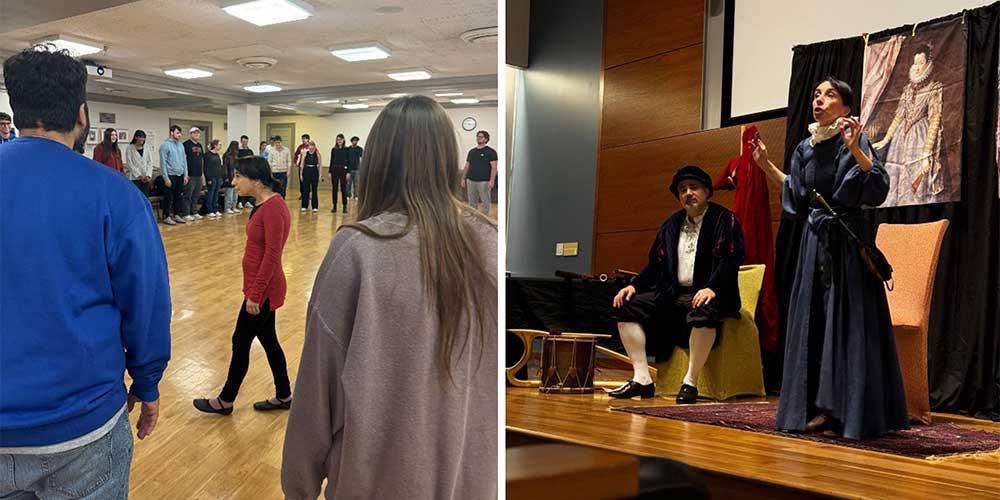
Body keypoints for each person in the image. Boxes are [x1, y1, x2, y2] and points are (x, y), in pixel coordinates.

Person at [281, 94, 497, 500]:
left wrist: (299, 486)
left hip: (378, 478)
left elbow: (316, 389)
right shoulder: (492, 243)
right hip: (475, 477)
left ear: (378, 158)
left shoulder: (358, 249)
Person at [0, 46, 171, 498]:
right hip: (83, 427)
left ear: (16, 113)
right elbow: (146, 301)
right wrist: (148, 381)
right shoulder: (115, 195)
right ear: (81, 113)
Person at [755, 77, 909, 440]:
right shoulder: (805, 146)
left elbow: (876, 185)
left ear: (846, 107)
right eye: (816, 94)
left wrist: (855, 148)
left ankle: (848, 410)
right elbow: (796, 190)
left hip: (845, 243)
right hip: (814, 240)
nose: (820, 100)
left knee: (847, 321)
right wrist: (764, 166)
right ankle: (817, 407)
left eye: (830, 95)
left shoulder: (851, 137)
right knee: (815, 322)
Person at [608, 166, 744, 402]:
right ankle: (642, 379)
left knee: (703, 308)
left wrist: (711, 287)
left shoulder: (725, 219)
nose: (688, 193)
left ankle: (690, 382)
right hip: (673, 293)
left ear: (706, 191)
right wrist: (635, 286)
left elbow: (731, 260)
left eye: (694, 187)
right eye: (683, 189)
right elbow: (655, 264)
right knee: (626, 305)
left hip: (715, 292)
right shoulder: (671, 224)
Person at [193, 156, 291, 415]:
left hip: (264, 291)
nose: (233, 181)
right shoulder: (261, 204)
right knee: (269, 341)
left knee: (241, 340)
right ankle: (284, 395)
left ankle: (226, 400)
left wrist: (256, 295)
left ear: (256, 180)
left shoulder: (274, 209)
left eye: (238, 177)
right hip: (258, 289)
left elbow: (272, 255)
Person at [871, 45, 946, 206]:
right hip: (901, 139)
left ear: (928, 63)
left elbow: (935, 121)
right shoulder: (907, 90)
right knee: (895, 177)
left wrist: (927, 154)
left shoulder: (935, 88)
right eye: (915, 63)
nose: (918, 67)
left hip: (920, 138)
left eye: (921, 63)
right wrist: (886, 140)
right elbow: (898, 117)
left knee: (916, 183)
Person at [461, 130, 498, 215]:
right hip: (470, 180)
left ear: (486, 139)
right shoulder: (472, 151)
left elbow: (494, 167)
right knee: (472, 202)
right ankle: (473, 217)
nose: (478, 138)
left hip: (484, 182)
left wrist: (492, 181)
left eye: (481, 137)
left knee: (485, 202)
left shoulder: (491, 152)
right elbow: (467, 166)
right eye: (477, 136)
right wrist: (463, 178)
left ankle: (484, 219)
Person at [159, 125, 189, 225]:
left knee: (178, 197)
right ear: (171, 133)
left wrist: (185, 175)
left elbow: (184, 161)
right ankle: (166, 216)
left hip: (180, 174)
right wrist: (166, 178)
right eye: (177, 133)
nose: (179, 135)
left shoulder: (181, 145)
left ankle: (176, 214)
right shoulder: (165, 145)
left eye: (180, 133)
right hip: (170, 175)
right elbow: (163, 163)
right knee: (168, 197)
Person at [183, 127, 205, 221]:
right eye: (194, 133)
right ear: (190, 134)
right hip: (190, 174)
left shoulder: (200, 145)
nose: (196, 134)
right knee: (188, 195)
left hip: (198, 174)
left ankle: (194, 212)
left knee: (196, 195)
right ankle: (186, 213)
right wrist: (185, 174)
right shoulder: (186, 145)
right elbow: (183, 160)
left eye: (198, 133)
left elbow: (201, 159)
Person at [125, 129, 153, 196]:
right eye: (140, 139)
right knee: (136, 197)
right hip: (135, 178)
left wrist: (148, 175)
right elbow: (130, 164)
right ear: (136, 137)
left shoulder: (146, 147)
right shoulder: (129, 148)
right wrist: (139, 176)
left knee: (145, 197)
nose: (141, 141)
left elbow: (150, 162)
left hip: (146, 178)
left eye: (143, 140)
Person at [297, 139, 322, 212]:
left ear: (314, 146)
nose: (311, 147)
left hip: (314, 171)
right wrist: (301, 174)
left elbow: (320, 165)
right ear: (308, 147)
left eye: (312, 145)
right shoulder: (305, 154)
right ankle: (304, 205)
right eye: (310, 145)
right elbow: (302, 165)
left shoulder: (317, 154)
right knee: (305, 189)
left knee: (314, 189)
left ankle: (315, 206)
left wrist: (320, 174)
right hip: (306, 171)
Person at [329, 133, 349, 213]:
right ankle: (334, 206)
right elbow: (331, 161)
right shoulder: (334, 150)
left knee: (343, 188)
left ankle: (345, 206)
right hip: (335, 170)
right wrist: (330, 171)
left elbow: (349, 161)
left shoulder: (347, 149)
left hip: (343, 170)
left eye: (340, 139)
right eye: (338, 140)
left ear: (343, 140)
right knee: (334, 188)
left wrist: (348, 172)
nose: (339, 141)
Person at [204, 139, 224, 217]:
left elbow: (219, 166)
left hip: (218, 177)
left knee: (216, 194)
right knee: (211, 194)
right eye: (219, 144)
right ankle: (210, 210)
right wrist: (208, 178)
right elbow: (206, 168)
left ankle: (215, 209)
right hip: (211, 177)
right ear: (215, 145)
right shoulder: (207, 155)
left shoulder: (217, 155)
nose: (220, 146)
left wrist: (221, 177)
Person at [237, 135, 255, 209]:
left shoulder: (250, 151)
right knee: (241, 188)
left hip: (249, 172)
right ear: (241, 141)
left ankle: (248, 202)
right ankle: (240, 202)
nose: (245, 143)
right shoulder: (238, 151)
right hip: (241, 171)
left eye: (246, 141)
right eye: (243, 141)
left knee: (248, 187)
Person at [223, 140, 240, 213]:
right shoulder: (227, 156)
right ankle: (227, 207)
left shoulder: (236, 156)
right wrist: (226, 177)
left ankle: (234, 206)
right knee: (229, 194)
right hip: (229, 176)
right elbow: (225, 167)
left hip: (235, 176)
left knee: (235, 193)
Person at [294, 133, 311, 200]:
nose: (303, 140)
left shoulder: (311, 146)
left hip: (309, 167)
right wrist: (295, 162)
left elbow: (317, 154)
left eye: (304, 139)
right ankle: (302, 194)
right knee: (301, 181)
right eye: (302, 139)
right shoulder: (300, 147)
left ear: (308, 139)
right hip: (301, 166)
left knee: (309, 181)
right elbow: (296, 154)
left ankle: (308, 194)